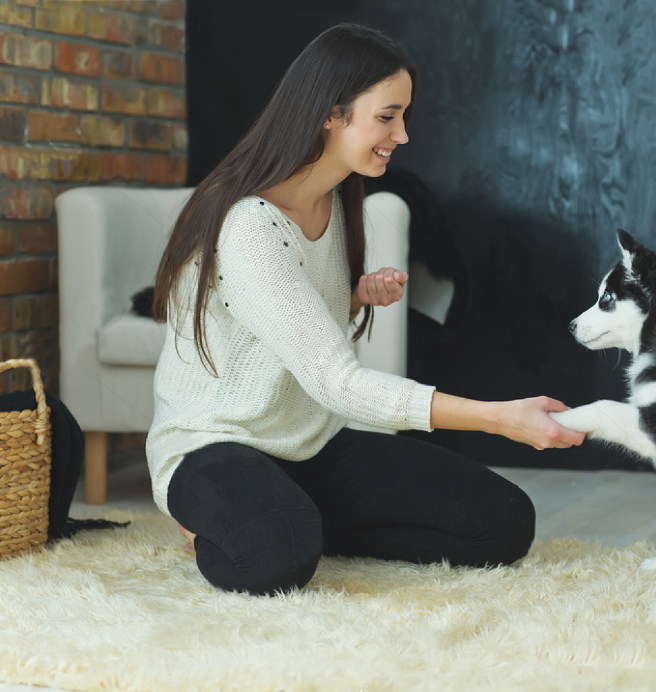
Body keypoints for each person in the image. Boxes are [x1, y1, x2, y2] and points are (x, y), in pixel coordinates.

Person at [147, 23, 584, 596]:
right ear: (331, 114)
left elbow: (290, 329)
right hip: (214, 447)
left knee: (502, 523)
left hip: (310, 444)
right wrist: (498, 417)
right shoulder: (249, 225)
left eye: (404, 116)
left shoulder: (335, 200)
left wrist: (353, 295)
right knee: (277, 562)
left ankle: (296, 519)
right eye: (388, 116)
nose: (402, 134)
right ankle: (240, 521)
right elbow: (336, 380)